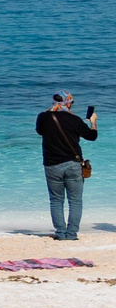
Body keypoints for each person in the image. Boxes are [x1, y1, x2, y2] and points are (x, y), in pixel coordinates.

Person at [37, 93, 96, 242]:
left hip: (51, 164)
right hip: (73, 164)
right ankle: (72, 235)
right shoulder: (75, 120)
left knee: (56, 200)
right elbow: (92, 136)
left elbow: (40, 131)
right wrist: (93, 122)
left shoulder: (43, 117)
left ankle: (61, 234)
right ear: (68, 103)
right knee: (75, 201)